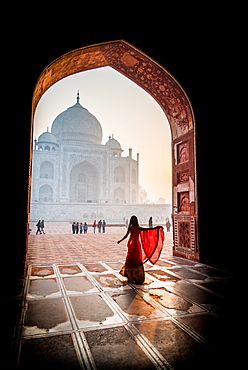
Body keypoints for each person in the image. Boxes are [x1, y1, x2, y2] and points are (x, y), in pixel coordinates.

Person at [117, 215, 164, 284]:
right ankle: (137, 276)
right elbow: (147, 230)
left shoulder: (132, 228)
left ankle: (131, 276)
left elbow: (126, 235)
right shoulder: (137, 228)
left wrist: (120, 240)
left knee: (131, 259)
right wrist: (156, 228)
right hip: (135, 245)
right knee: (136, 259)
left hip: (132, 244)